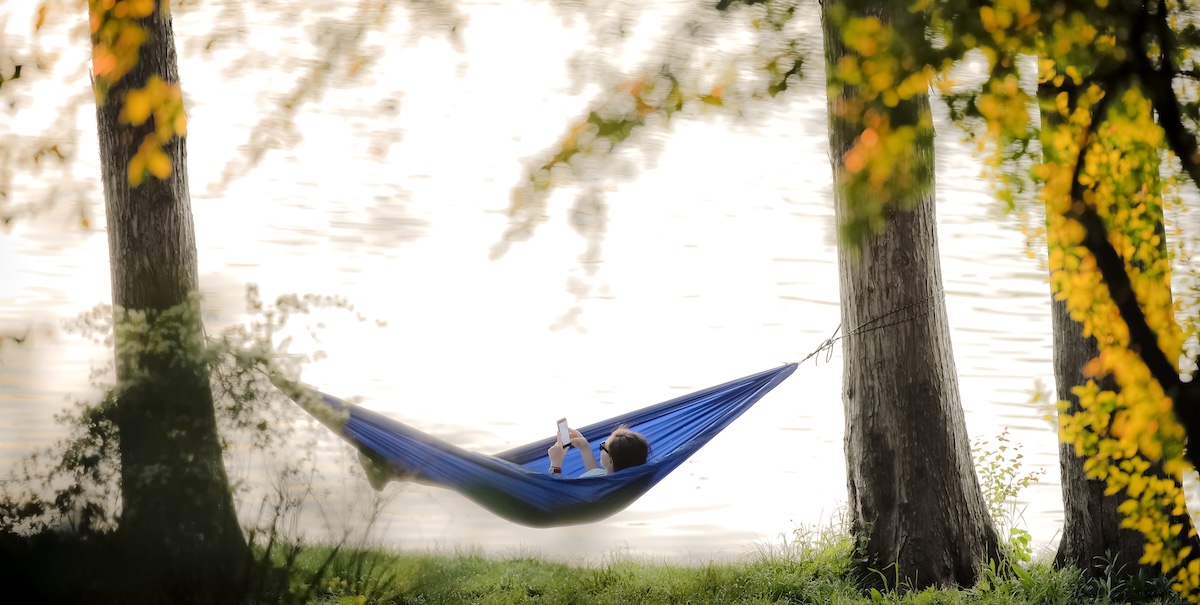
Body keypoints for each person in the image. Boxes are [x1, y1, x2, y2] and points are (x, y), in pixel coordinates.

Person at [546, 426, 648, 478]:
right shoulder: (617, 478)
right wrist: (585, 447)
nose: (601, 444)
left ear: (610, 461)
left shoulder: (595, 488)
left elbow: (557, 494)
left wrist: (555, 464)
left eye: (603, 446)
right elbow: (595, 474)